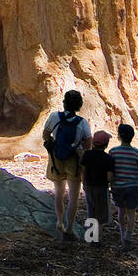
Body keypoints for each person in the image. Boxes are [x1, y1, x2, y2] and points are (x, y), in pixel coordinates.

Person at [43, 89, 91, 240]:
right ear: (79, 105)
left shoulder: (54, 117)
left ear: (64, 103)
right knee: (73, 196)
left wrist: (53, 144)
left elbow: (45, 134)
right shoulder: (82, 123)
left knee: (58, 191)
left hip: (56, 158)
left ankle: (59, 221)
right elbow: (88, 143)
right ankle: (69, 228)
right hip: (74, 160)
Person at [109, 122, 138, 248]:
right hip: (133, 187)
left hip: (118, 187)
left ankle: (121, 234)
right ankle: (128, 236)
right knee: (131, 213)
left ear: (119, 136)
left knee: (121, 212)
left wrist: (112, 184)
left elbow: (111, 170)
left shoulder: (113, 152)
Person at [80, 130, 114, 244]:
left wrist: (83, 183)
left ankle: (90, 237)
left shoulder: (87, 155)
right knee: (101, 214)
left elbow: (83, 171)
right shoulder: (108, 158)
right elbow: (109, 177)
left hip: (89, 186)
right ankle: (97, 239)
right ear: (106, 145)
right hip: (102, 187)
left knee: (91, 210)